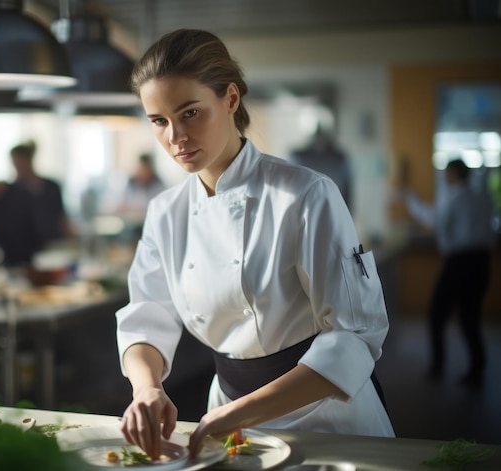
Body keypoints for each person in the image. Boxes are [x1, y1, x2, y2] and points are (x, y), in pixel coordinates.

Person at [114, 29, 394, 460]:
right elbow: (147, 316)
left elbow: (354, 335)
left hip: (324, 416)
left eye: (190, 112)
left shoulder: (305, 194)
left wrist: (238, 414)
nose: (175, 137)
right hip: (225, 409)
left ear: (230, 99)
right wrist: (146, 388)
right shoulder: (166, 212)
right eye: (159, 121)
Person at [400, 159, 496, 386]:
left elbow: (434, 220)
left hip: (459, 262)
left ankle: (437, 366)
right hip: (482, 262)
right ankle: (477, 368)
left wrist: (410, 199)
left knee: (437, 314)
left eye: (446, 173)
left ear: (453, 174)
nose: (444, 177)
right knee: (470, 317)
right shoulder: (483, 197)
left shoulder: (453, 199)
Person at [10, 141, 76, 241]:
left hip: (55, 241)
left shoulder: (51, 186)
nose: (18, 167)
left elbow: (61, 216)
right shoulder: (13, 191)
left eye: (20, 162)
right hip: (30, 245)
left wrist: (71, 238)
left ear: (29, 160)